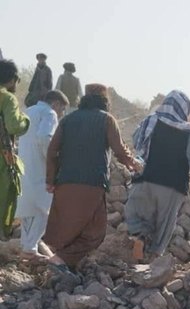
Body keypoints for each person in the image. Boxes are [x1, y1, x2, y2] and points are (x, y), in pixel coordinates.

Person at [44, 84, 141, 270]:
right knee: (96, 232)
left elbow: (52, 151)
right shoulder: (107, 120)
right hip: (92, 183)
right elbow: (119, 150)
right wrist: (133, 163)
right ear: (105, 101)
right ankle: (60, 260)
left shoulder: (67, 120)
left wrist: (50, 179)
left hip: (65, 181)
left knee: (65, 226)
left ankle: (61, 264)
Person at [128, 90, 190, 261]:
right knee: (165, 223)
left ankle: (140, 238)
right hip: (173, 186)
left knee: (139, 214)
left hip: (146, 178)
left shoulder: (151, 120)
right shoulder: (187, 132)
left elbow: (136, 141)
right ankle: (155, 256)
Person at [16, 90, 69, 259]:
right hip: (39, 168)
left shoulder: (29, 111)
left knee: (28, 208)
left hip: (24, 165)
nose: (61, 114)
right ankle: (30, 247)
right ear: (56, 104)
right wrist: (53, 159)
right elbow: (44, 137)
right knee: (46, 208)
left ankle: (27, 245)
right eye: (62, 110)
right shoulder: (49, 113)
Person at [0, 60, 30, 239]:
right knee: (6, 196)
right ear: (12, 80)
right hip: (3, 157)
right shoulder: (7, 98)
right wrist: (25, 121)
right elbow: (13, 126)